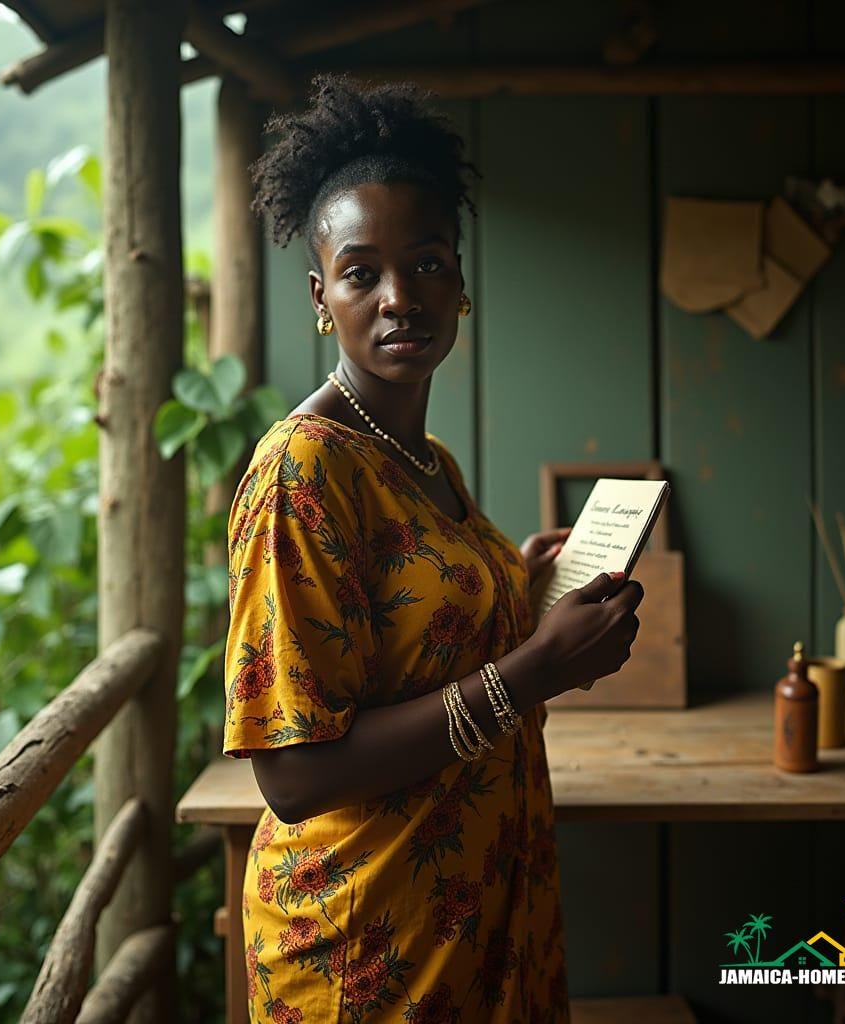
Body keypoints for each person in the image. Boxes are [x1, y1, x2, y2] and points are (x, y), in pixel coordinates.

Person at [223, 71, 644, 1024]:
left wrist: (519, 585)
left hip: (481, 907)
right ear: (320, 295)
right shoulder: (302, 472)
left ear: (461, 286)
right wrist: (534, 670)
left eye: (428, 264)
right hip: (368, 947)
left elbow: (412, 642)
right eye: (363, 271)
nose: (400, 296)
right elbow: (293, 776)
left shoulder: (426, 459)